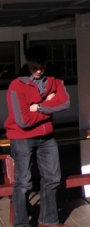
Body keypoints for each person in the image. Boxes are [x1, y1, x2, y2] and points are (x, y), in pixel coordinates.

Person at [4, 45, 70, 227]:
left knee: (52, 179)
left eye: (42, 67)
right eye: (35, 68)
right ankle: (21, 224)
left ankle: (48, 221)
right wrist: (49, 103)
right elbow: (24, 120)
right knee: (23, 183)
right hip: (22, 138)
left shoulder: (54, 78)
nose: (39, 71)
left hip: (47, 136)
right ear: (27, 63)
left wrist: (39, 107)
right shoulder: (16, 85)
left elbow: (65, 102)